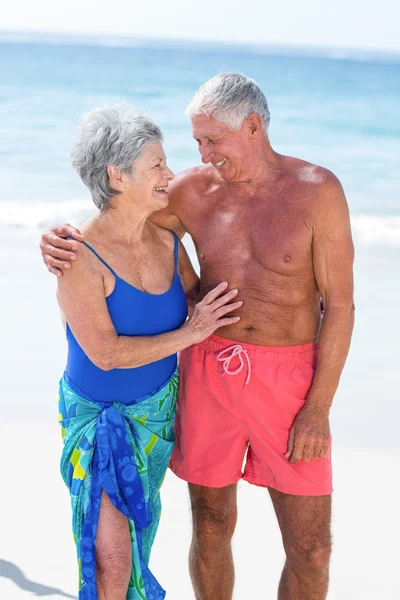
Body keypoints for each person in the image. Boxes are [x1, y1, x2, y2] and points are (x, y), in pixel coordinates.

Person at [41, 74, 355, 600]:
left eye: (213, 141)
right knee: (209, 526)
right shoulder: (191, 190)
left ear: (252, 127)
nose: (203, 156)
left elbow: (340, 305)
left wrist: (318, 407)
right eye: (196, 143)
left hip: (290, 377)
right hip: (208, 368)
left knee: (312, 545)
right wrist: (58, 238)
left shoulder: (317, 191)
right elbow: (118, 224)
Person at [52, 104, 242, 600]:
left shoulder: (167, 242)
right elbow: (107, 355)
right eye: (156, 165)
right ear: (117, 176)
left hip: (156, 419)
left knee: (136, 543)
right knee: (109, 558)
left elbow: (204, 303)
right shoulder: (78, 256)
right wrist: (191, 334)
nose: (169, 174)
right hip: (98, 423)